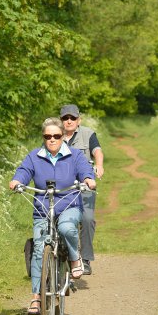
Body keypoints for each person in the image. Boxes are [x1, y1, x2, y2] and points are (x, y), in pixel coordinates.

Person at [9, 117, 96, 315]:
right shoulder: (34, 156)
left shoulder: (74, 156)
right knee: (39, 248)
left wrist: (88, 179)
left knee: (66, 228)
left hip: (68, 204)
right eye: (48, 136)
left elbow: (85, 169)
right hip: (42, 207)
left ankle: (75, 259)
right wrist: (17, 180)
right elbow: (24, 171)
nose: (52, 140)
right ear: (43, 137)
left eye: (56, 136)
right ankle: (36, 298)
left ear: (63, 136)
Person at [59, 104, 104, 276]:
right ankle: (58, 253)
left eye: (72, 118)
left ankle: (84, 259)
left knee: (87, 218)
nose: (69, 121)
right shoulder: (54, 135)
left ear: (79, 120)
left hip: (84, 185)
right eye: (65, 118)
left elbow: (97, 151)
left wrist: (99, 165)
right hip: (62, 187)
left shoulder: (88, 133)